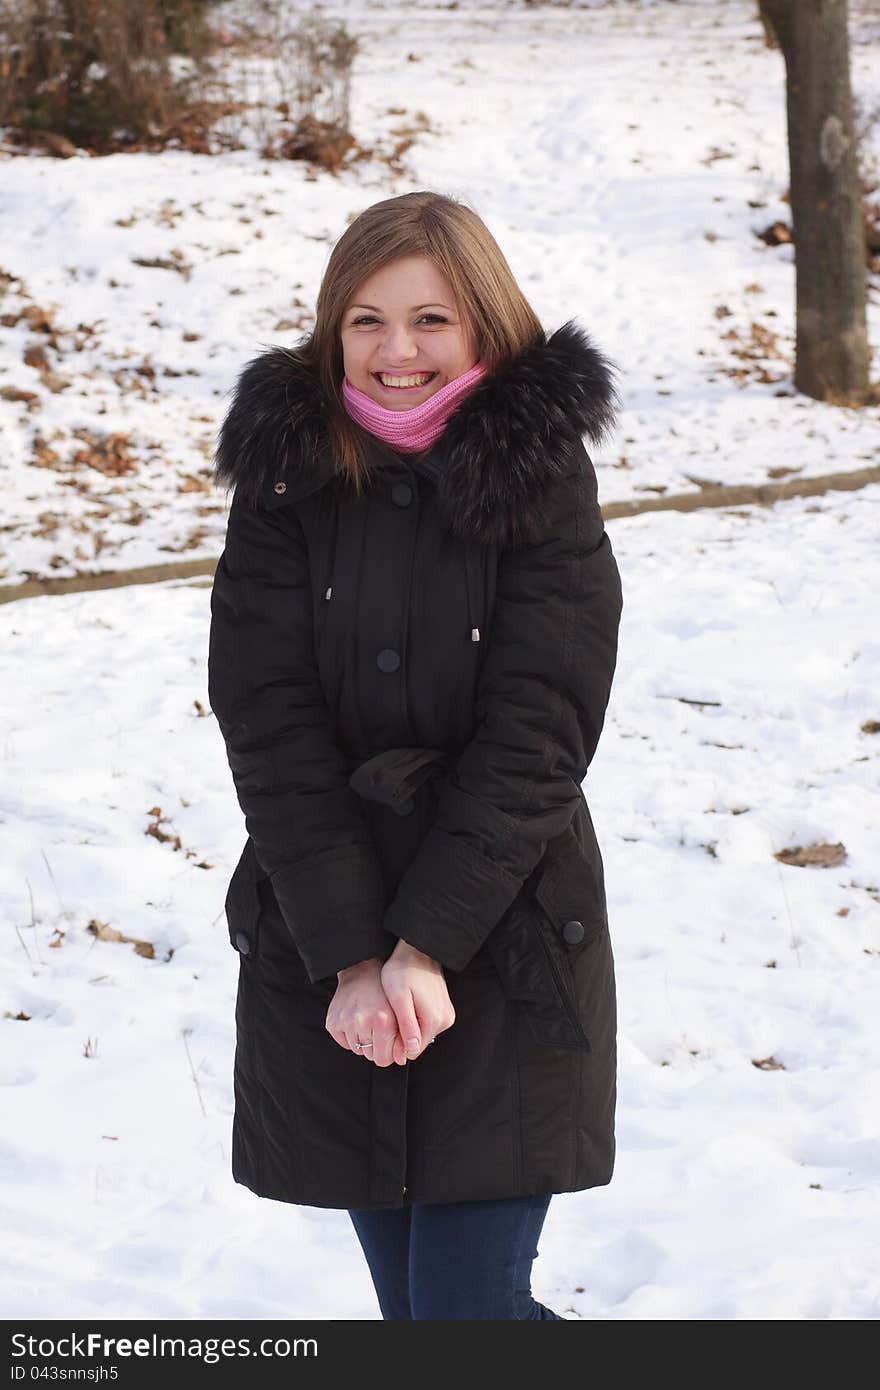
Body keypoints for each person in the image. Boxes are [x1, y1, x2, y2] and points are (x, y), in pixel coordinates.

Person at [208, 190, 624, 1321]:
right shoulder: (285, 478)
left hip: (506, 937)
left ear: (484, 324)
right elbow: (267, 722)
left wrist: (426, 946)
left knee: (463, 1319)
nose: (397, 353)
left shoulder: (539, 477)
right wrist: (352, 954)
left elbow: (540, 732)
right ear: (329, 327)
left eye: (432, 320)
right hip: (325, 932)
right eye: (367, 320)